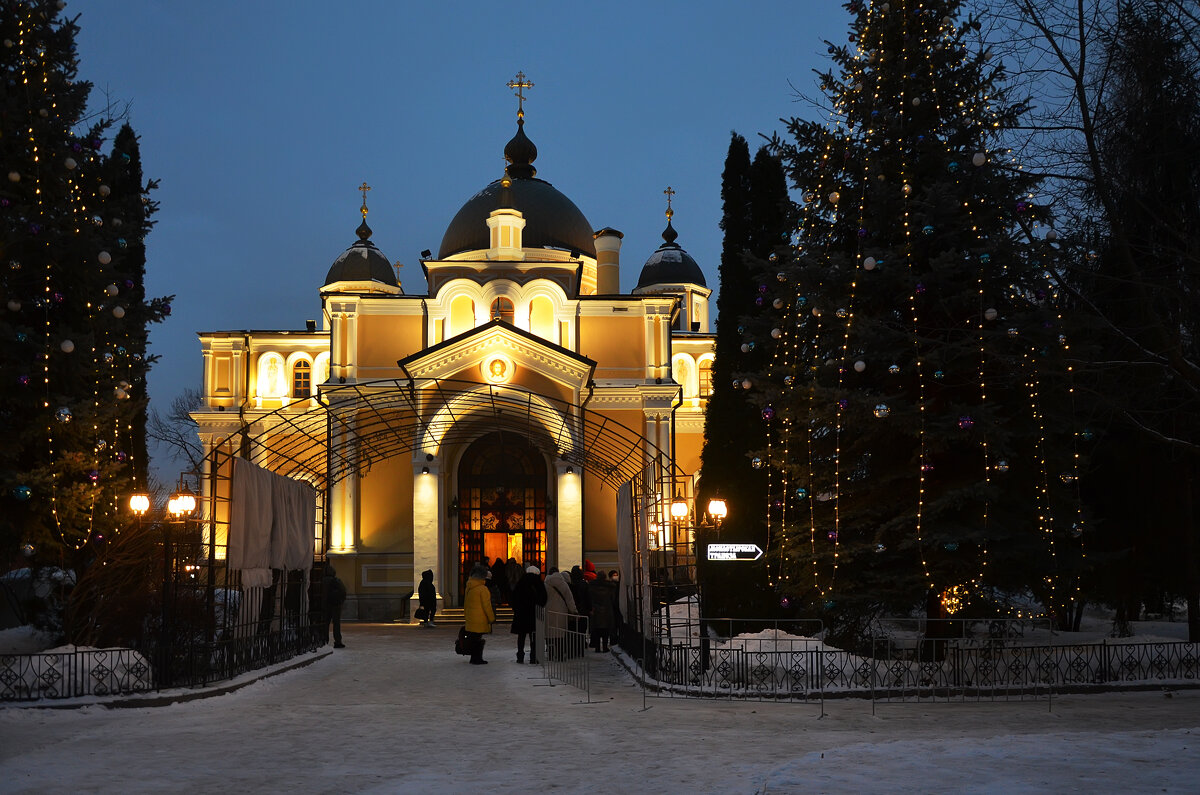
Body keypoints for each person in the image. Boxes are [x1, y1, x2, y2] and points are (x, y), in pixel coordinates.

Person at [510, 564, 547, 663]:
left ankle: (520, 656)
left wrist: (517, 609)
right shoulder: (538, 583)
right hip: (534, 614)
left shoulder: (520, 582)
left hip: (521, 614)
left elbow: (513, 598)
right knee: (533, 636)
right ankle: (533, 657)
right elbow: (544, 598)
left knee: (521, 636)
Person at [464, 563, 495, 665]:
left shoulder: (469, 586)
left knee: (473, 639)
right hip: (480, 619)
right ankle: (477, 658)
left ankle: (473, 658)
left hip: (471, 618)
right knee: (478, 640)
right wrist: (491, 618)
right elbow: (487, 605)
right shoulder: (483, 589)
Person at [543, 569, 578, 661]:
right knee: (560, 635)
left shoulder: (545, 584)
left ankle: (550, 654)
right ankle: (560, 655)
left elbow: (541, 598)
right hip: (561, 611)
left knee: (549, 634)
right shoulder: (564, 584)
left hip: (548, 611)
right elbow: (569, 599)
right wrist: (573, 610)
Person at [587, 570, 616, 652]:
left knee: (596, 630)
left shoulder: (592, 586)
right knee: (605, 630)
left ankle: (597, 647)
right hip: (606, 610)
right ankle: (605, 646)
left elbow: (589, 598)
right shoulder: (610, 587)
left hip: (596, 610)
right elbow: (613, 599)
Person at [324, 563, 347, 649]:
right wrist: (340, 601)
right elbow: (343, 592)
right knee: (336, 624)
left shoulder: (321, 581)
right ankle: (337, 641)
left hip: (325, 605)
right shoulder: (336, 581)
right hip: (336, 605)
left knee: (325, 624)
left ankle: (324, 640)